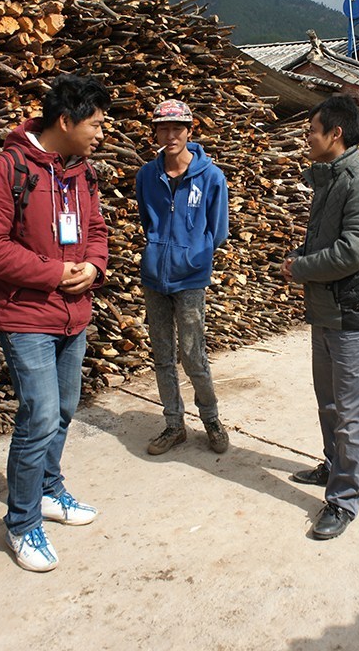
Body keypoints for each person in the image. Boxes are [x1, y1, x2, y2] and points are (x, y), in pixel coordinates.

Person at [0, 73, 110, 572]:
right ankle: (22, 522)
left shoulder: (82, 174)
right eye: (94, 123)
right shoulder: (5, 170)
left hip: (73, 314)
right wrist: (54, 273)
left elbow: (95, 228)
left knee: (65, 408)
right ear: (65, 121)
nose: (100, 132)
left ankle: (50, 490)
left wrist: (94, 265)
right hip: (26, 315)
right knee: (40, 417)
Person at [280, 95, 359, 541]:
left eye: (311, 130)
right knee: (328, 401)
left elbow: (354, 250)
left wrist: (300, 268)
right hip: (326, 310)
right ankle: (333, 465)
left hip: (351, 313)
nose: (307, 137)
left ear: (335, 135)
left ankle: (344, 499)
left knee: (350, 411)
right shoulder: (329, 179)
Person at [136, 99, 231, 456]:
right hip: (154, 278)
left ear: (190, 131)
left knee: (193, 355)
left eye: (177, 128)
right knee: (162, 354)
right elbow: (148, 221)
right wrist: (157, 249)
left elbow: (218, 230)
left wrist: (194, 254)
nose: (170, 135)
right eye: (163, 128)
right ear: (156, 132)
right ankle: (174, 425)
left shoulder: (210, 177)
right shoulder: (147, 175)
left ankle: (211, 419)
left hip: (190, 278)